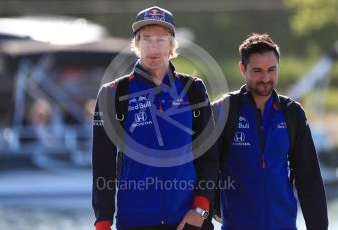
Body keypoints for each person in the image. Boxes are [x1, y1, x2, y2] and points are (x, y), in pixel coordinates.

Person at [92, 6, 218, 230]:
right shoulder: (113, 93)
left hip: (189, 221)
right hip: (135, 221)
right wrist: (102, 223)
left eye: (161, 39)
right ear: (137, 44)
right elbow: (103, 165)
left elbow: (209, 156)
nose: (153, 46)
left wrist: (201, 209)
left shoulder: (194, 89)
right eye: (146, 38)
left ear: (172, 45)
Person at [213, 33, 328, 229]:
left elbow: (308, 177)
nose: (265, 78)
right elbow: (204, 169)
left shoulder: (292, 112)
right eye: (257, 70)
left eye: (271, 70)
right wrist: (212, 211)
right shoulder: (223, 110)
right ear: (243, 68)